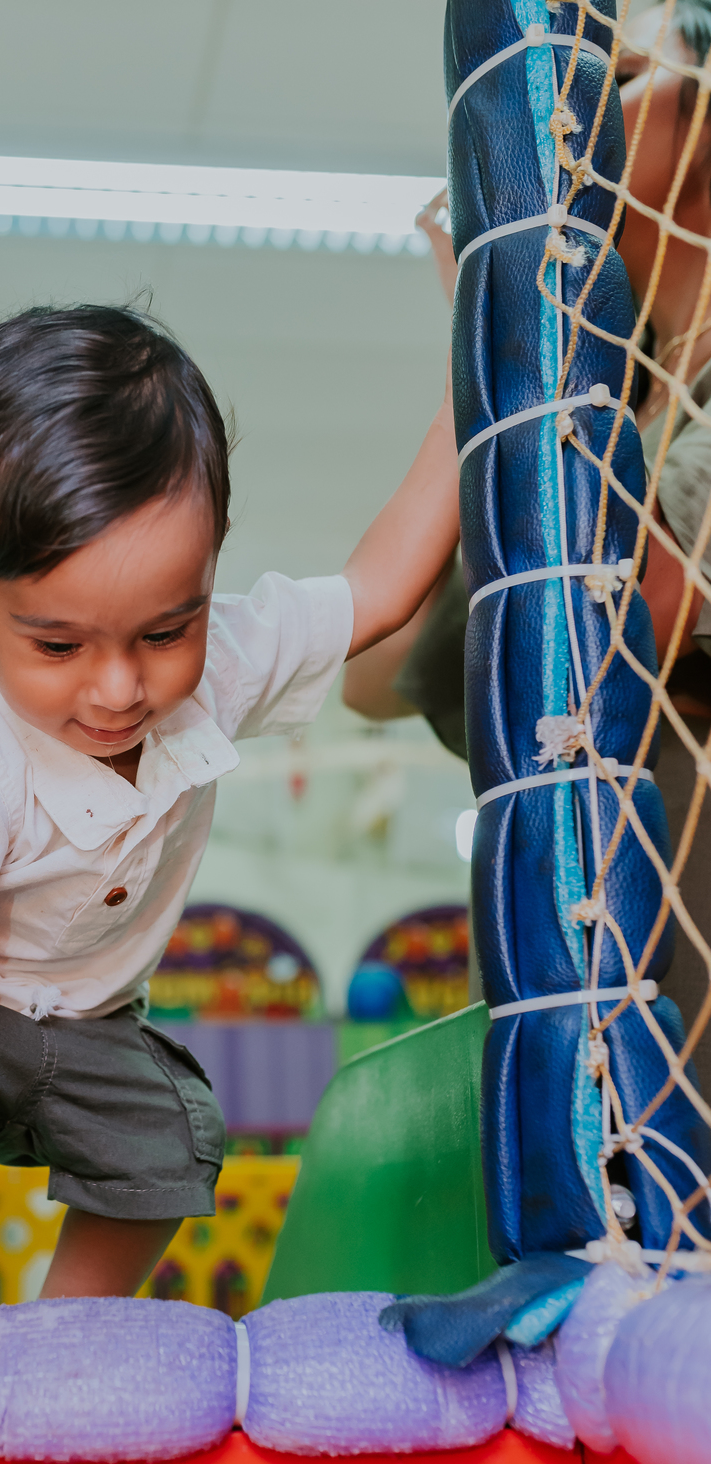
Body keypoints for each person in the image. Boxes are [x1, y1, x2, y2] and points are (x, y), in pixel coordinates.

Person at [0, 303, 458, 1386]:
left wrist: (474, 397)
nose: (118, 688)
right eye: (57, 645)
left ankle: (67, 1337)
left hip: (71, 1011)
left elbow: (378, 591)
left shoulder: (223, 661)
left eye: (164, 631)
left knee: (169, 1133)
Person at [346, 2, 711, 1090]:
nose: (573, 108)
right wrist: (494, 369)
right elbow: (368, 668)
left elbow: (623, 625)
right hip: (576, 950)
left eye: (625, 75)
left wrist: (526, 335)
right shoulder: (612, 418)